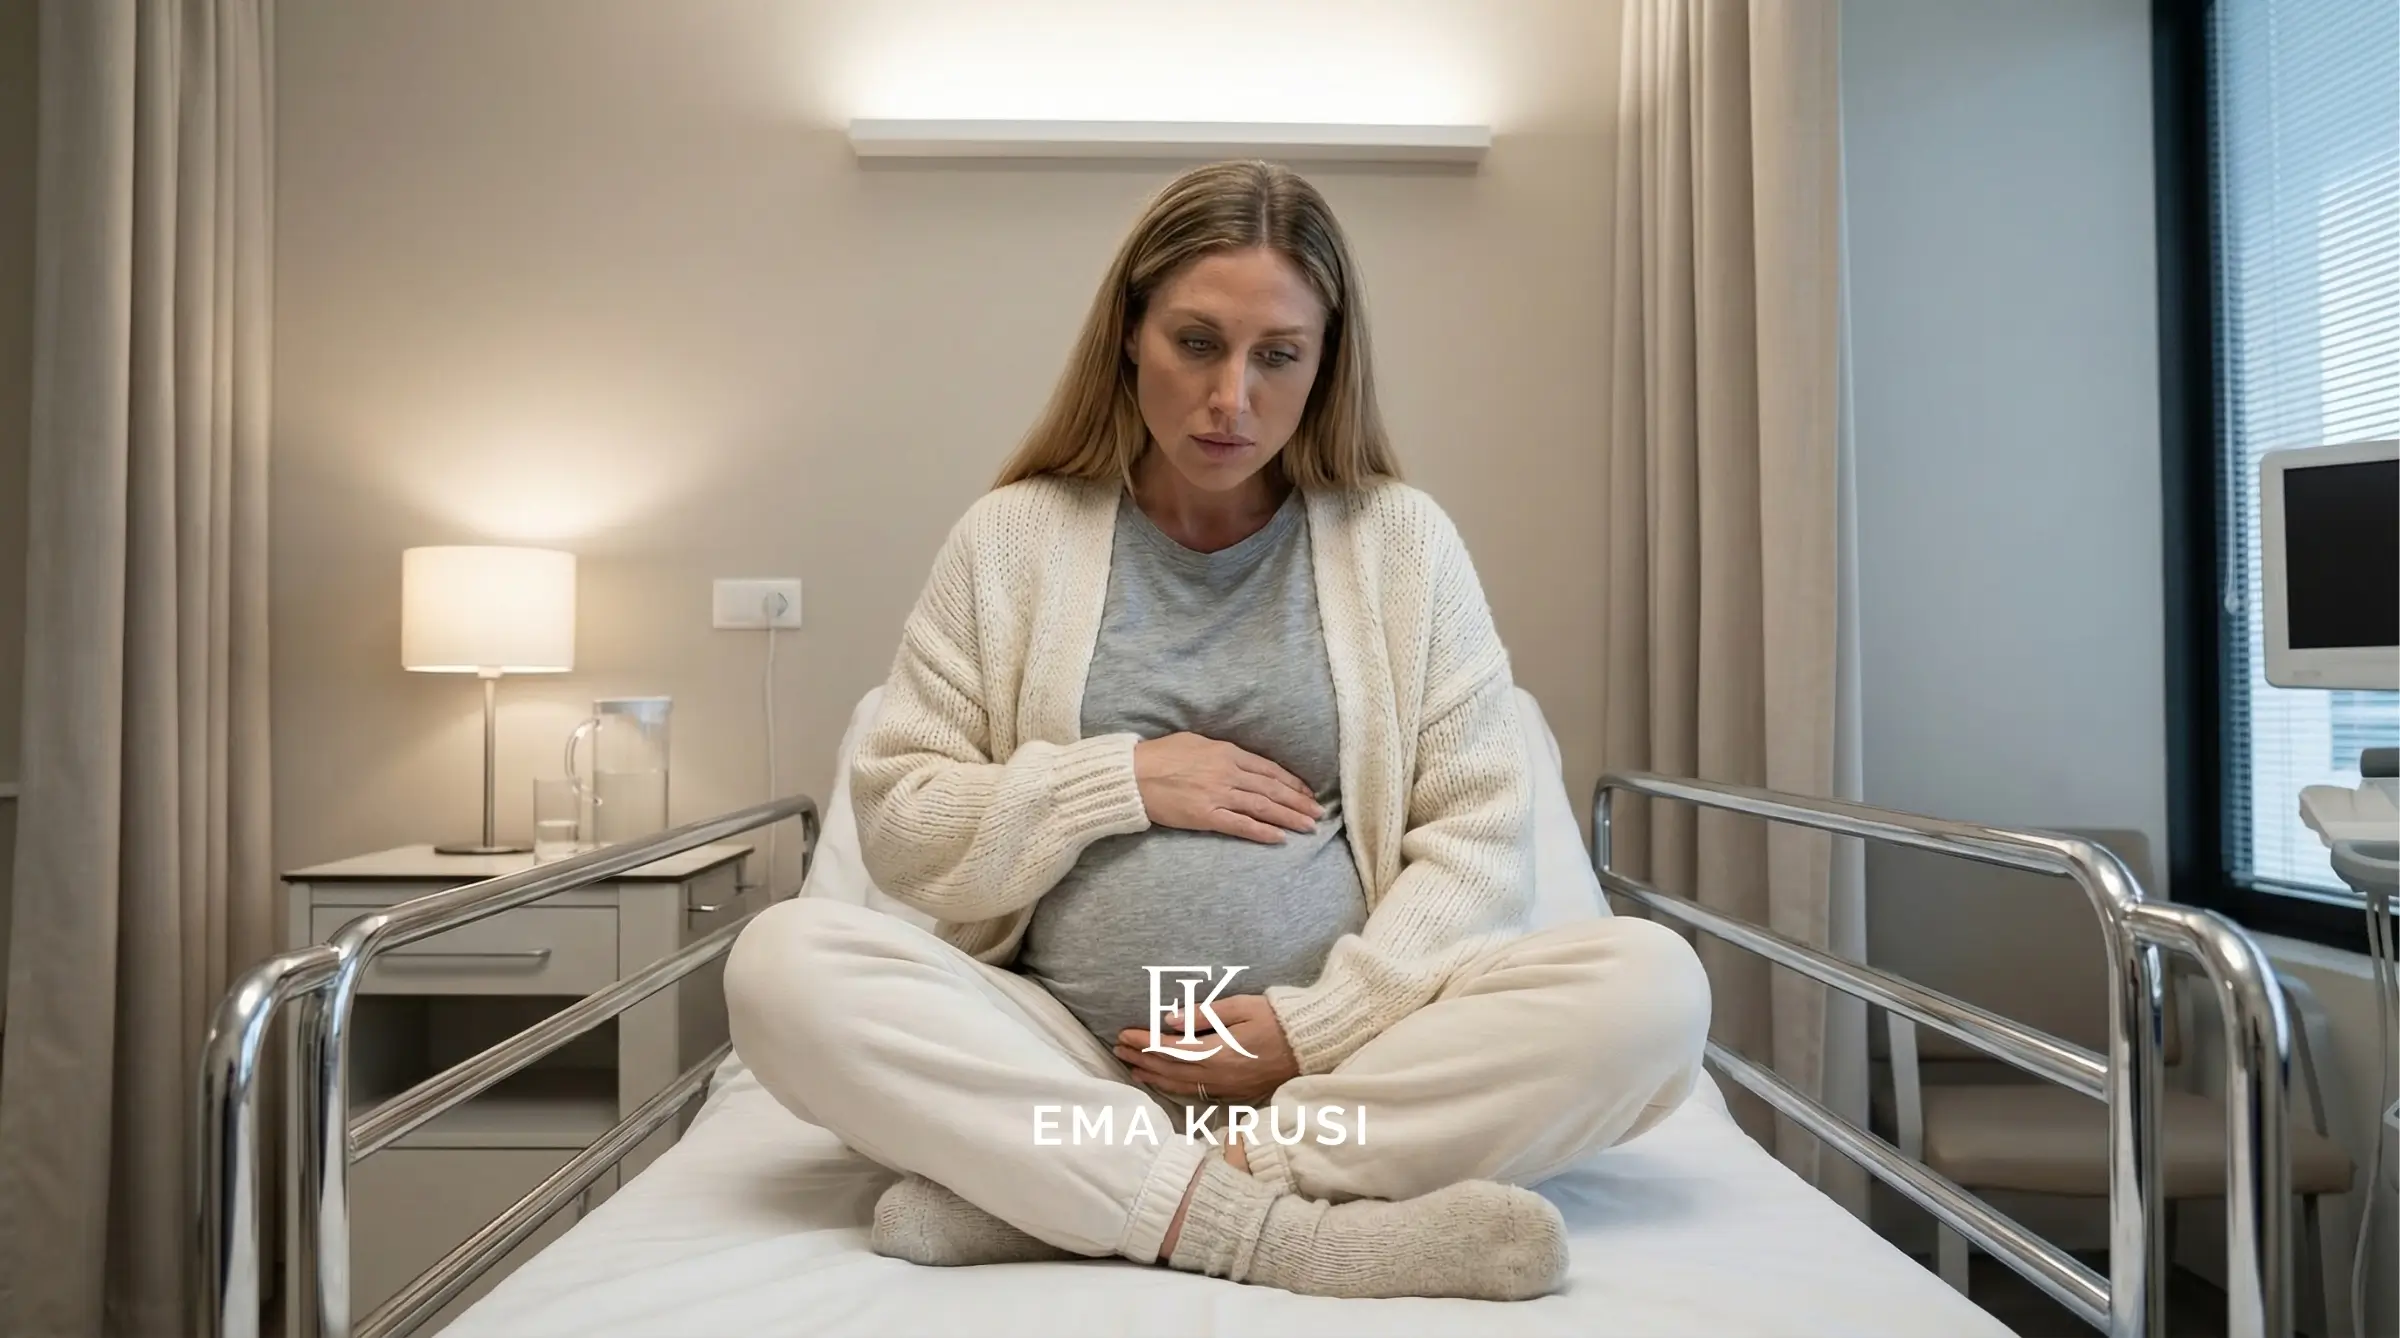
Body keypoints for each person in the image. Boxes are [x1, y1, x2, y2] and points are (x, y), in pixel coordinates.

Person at [724, 159, 1710, 1303]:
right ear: (1130, 336)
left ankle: (1076, 1195)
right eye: (1197, 343)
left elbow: (1480, 837)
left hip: (1340, 1072)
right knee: (781, 966)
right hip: (1066, 1059)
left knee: (1653, 988)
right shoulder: (1013, 540)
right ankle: (1283, 1235)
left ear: (1325, 362)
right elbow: (904, 819)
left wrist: (1308, 1029)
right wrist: (1119, 780)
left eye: (1277, 355)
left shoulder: (1401, 544)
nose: (1232, 397)